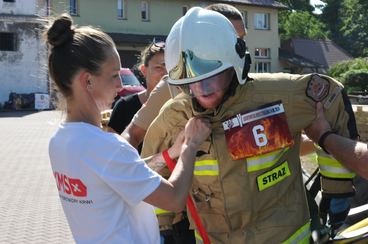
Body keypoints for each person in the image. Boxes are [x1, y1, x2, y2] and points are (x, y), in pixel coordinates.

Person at [141, 7, 364, 243]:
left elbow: (329, 96)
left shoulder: (279, 96)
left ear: (236, 64)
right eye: (191, 84)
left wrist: (336, 188)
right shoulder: (174, 117)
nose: (202, 91)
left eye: (211, 78)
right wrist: (164, 227)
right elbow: (147, 173)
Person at [46, 14, 211, 243]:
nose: (121, 85)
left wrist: (172, 153)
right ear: (87, 81)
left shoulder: (59, 142)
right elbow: (174, 198)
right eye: (114, 75)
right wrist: (191, 146)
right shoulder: (105, 147)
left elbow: (121, 173)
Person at [122, 3, 247, 150]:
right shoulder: (172, 87)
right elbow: (132, 134)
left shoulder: (249, 82)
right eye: (229, 36)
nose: (240, 46)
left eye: (241, 39)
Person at [107, 40, 166, 139]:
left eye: (172, 68)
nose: (166, 74)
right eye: (159, 67)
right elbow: (112, 149)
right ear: (144, 70)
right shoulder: (125, 107)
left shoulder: (184, 106)